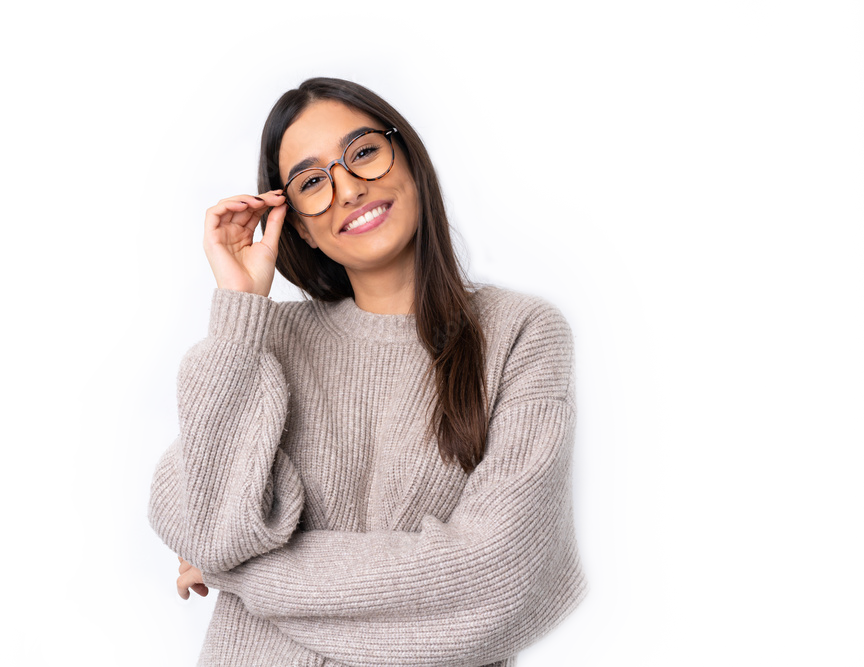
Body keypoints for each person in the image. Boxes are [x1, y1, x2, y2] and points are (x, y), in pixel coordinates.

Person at [148, 76, 588, 666]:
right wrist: (240, 308)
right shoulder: (263, 343)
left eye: (363, 152)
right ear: (298, 227)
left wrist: (239, 572)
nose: (349, 188)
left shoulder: (520, 333)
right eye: (311, 182)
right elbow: (205, 519)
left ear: (408, 157)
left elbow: (493, 576)